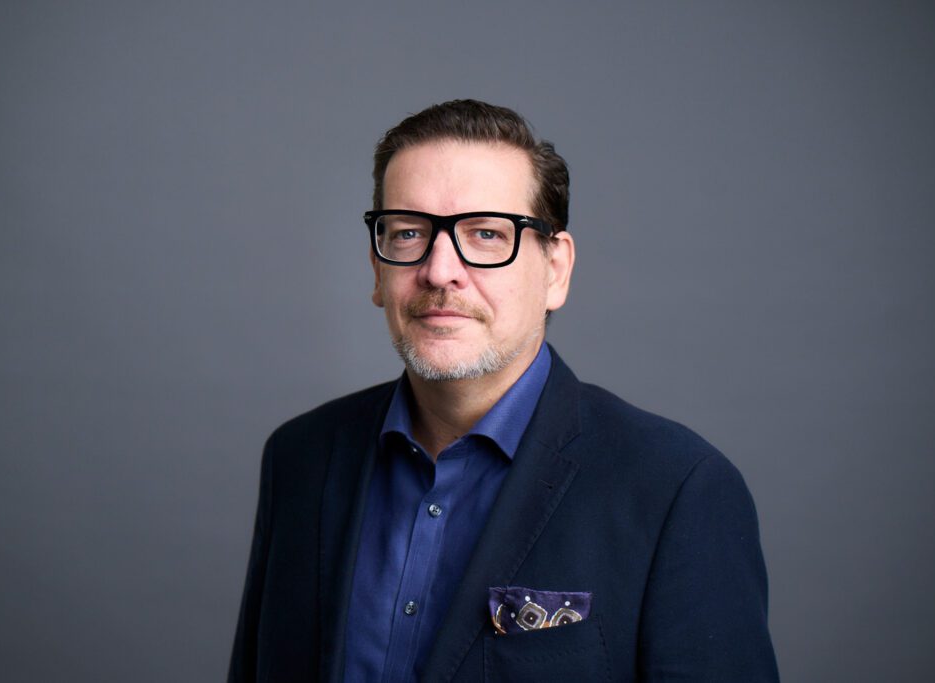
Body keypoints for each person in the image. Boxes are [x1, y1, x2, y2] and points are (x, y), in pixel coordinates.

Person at [228, 99, 779, 682]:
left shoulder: (676, 489)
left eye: (487, 234)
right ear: (376, 269)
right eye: (410, 232)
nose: (441, 270)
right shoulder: (300, 458)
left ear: (555, 270)